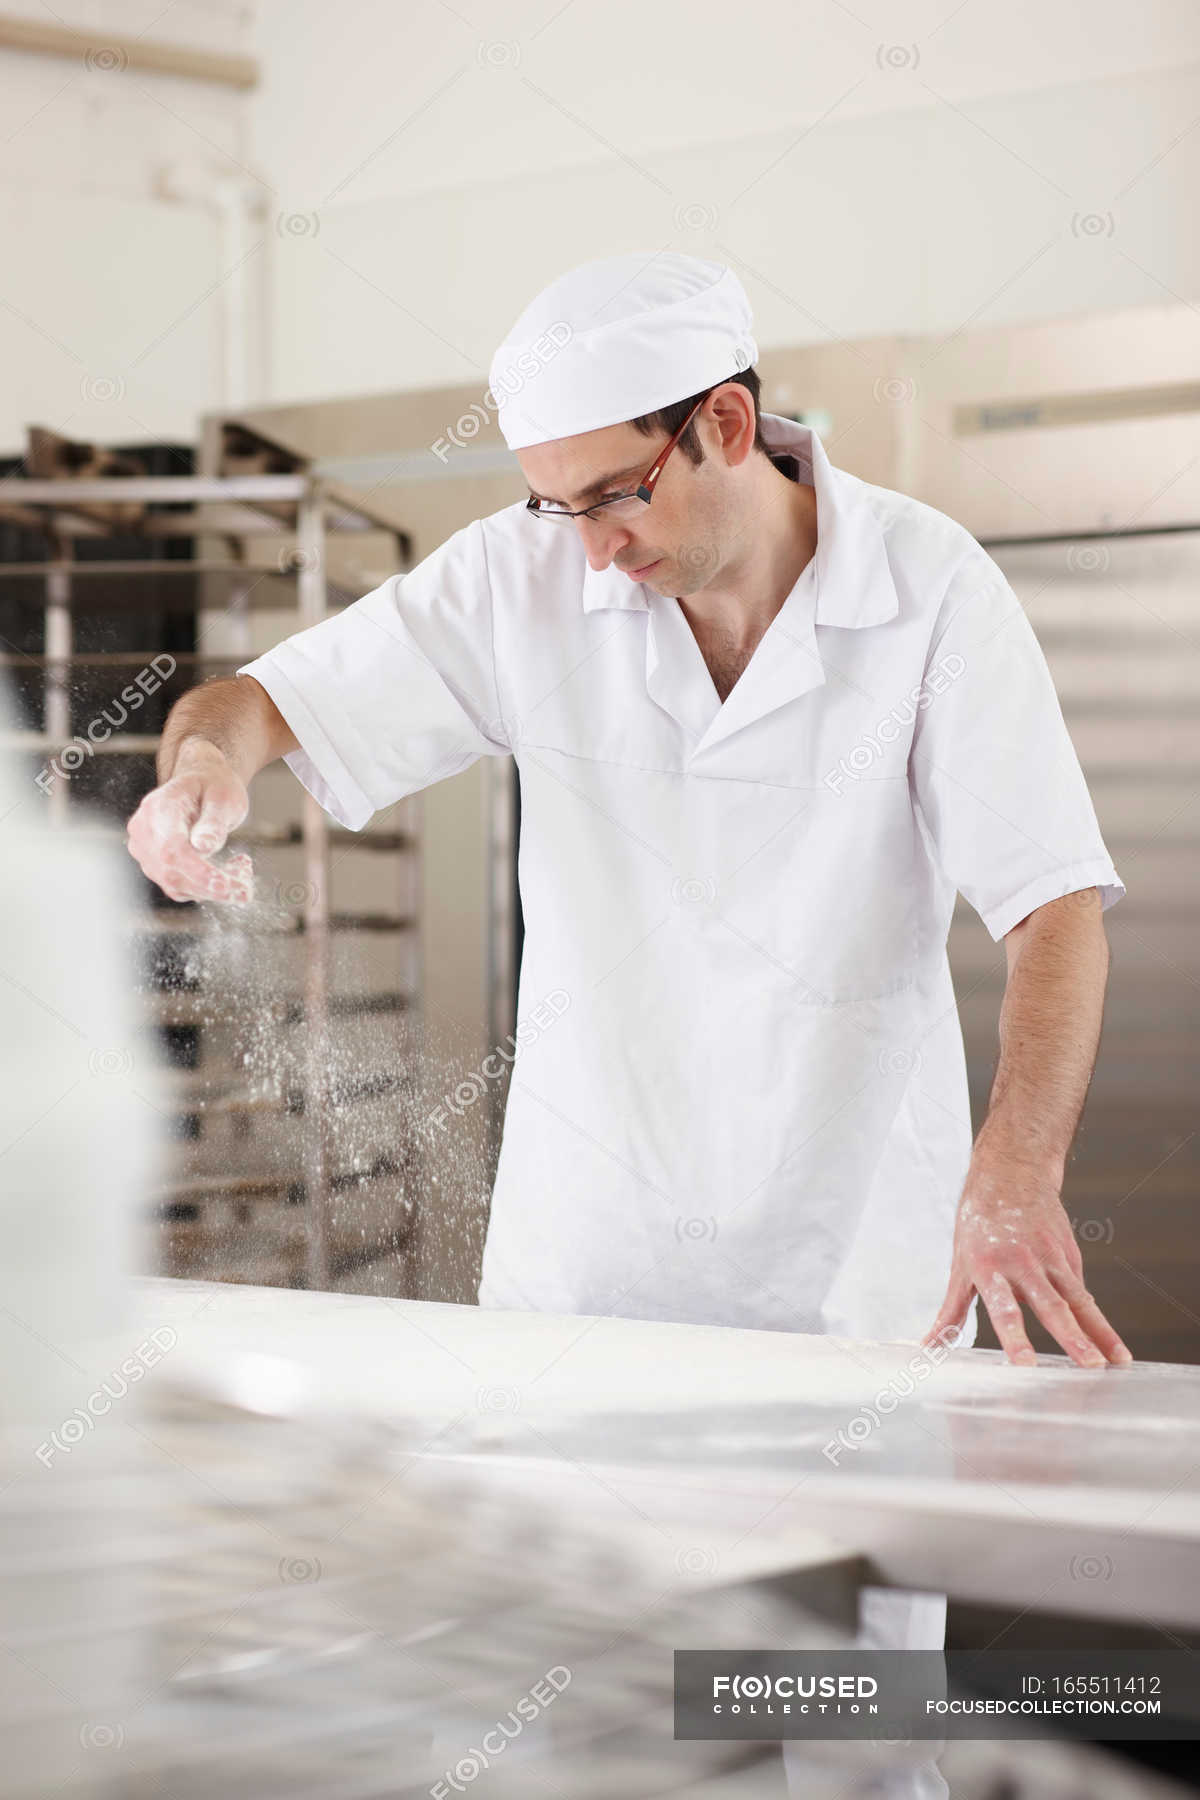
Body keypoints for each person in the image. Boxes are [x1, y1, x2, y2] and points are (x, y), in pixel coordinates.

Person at [126, 251, 1132, 1799]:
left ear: (728, 424)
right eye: (555, 508)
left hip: (857, 1268)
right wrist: (201, 773)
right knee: (585, 1721)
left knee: (850, 1728)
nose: (590, 552)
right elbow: (257, 700)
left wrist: (1014, 1173)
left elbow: (1053, 905)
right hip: (590, 1272)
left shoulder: (928, 589)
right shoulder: (526, 576)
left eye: (613, 500)